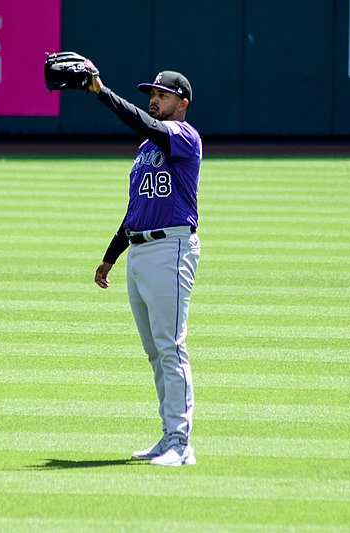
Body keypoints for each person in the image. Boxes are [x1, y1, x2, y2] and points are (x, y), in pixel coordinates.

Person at [88, 69, 202, 467]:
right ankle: (167, 434)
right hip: (140, 251)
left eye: (163, 95)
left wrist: (101, 92)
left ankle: (181, 442)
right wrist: (111, 255)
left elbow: (145, 122)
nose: (155, 99)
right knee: (156, 352)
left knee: (171, 346)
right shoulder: (145, 148)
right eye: (152, 93)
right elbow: (136, 209)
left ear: (182, 103)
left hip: (171, 248)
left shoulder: (185, 138)